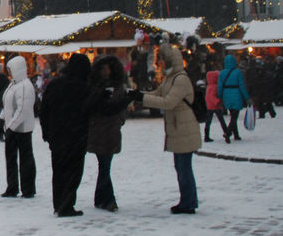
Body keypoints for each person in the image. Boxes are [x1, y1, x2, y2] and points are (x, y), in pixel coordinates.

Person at [132, 43, 202, 214]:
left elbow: (168, 102)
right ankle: (187, 200)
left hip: (184, 127)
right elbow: (157, 94)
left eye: (163, 59)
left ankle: (189, 202)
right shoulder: (170, 79)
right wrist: (138, 95)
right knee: (181, 167)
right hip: (178, 128)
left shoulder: (181, 79)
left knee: (184, 167)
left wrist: (143, 98)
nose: (161, 63)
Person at [39, 53, 91, 217]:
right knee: (73, 172)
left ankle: (59, 203)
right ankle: (66, 204)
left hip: (57, 136)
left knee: (59, 171)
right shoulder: (83, 87)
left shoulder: (55, 85)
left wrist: (46, 132)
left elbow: (44, 110)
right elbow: (95, 108)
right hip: (76, 136)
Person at [84, 55, 131, 214]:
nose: (106, 72)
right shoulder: (93, 88)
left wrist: (119, 120)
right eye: (103, 69)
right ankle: (108, 200)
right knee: (104, 165)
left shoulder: (118, 87)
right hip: (98, 131)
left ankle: (102, 198)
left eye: (108, 68)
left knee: (104, 165)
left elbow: (121, 109)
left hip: (111, 131)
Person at [0, 56, 36, 199]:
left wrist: (11, 127)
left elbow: (23, 110)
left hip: (22, 129)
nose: (8, 72)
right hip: (12, 127)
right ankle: (12, 187)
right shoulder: (13, 84)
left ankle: (28, 189)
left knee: (25, 160)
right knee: (11, 158)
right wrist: (3, 118)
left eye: (10, 69)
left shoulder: (25, 86)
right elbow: (7, 104)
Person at [217, 54, 250, 142]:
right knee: (234, 116)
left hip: (226, 95)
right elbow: (242, 86)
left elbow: (220, 86)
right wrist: (246, 97)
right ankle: (228, 133)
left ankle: (236, 135)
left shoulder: (222, 73)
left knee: (232, 115)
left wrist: (220, 97)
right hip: (236, 94)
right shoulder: (238, 72)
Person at [203, 67, 228, 142]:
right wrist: (218, 102)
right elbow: (211, 97)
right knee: (221, 120)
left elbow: (208, 96)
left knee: (208, 121)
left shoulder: (209, 86)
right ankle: (226, 132)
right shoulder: (215, 87)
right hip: (215, 106)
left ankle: (206, 136)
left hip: (209, 106)